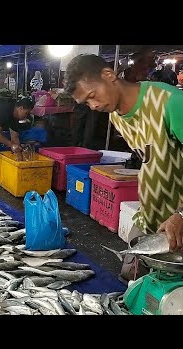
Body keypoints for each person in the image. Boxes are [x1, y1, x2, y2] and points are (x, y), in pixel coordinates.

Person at [64, 54, 183, 252]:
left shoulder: (171, 102)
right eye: (86, 103)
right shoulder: (116, 117)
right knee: (132, 274)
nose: (93, 106)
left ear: (109, 74)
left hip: (176, 224)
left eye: (92, 96)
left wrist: (180, 215)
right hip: (151, 219)